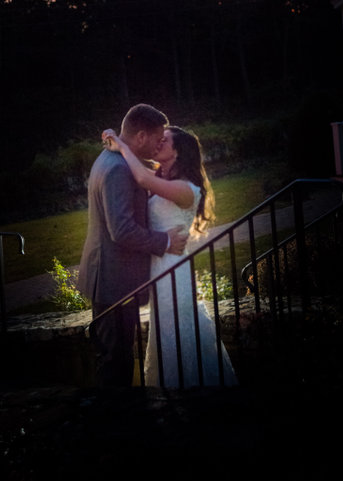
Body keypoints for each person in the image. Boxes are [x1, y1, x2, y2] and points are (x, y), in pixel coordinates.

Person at [102, 124, 238, 388]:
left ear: (178, 152)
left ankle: (192, 388)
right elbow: (138, 170)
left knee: (177, 327)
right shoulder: (160, 177)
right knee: (164, 329)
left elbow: (141, 178)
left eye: (164, 140)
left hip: (173, 268)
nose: (157, 142)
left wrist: (122, 144)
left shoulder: (187, 189)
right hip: (158, 265)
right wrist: (115, 140)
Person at [77, 104, 189, 387]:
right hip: (114, 281)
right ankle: (117, 413)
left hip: (110, 278)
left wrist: (117, 140)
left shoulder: (112, 158)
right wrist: (165, 241)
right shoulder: (118, 169)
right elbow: (122, 230)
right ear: (140, 136)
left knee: (115, 356)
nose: (159, 144)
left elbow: (145, 174)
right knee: (116, 360)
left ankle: (116, 409)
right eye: (157, 138)